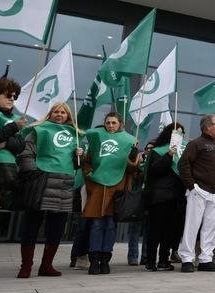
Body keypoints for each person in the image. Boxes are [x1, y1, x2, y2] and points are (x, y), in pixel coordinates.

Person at [15, 103, 84, 278]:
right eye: (56, 111)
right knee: (32, 224)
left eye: (63, 112)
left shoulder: (75, 134)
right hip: (41, 181)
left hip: (64, 183)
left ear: (68, 116)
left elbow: (78, 165)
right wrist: (33, 173)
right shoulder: (39, 130)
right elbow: (26, 153)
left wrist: (79, 155)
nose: (59, 114)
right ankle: (26, 266)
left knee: (57, 227)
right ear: (50, 114)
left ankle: (46, 266)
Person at [82, 112, 140, 274]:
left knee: (110, 225)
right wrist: (90, 177)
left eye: (114, 123)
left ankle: (105, 259)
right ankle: (94, 259)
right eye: (108, 122)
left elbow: (132, 170)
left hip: (117, 187)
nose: (110, 125)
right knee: (96, 225)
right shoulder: (97, 140)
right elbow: (87, 163)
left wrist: (133, 158)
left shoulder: (128, 142)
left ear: (120, 124)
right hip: (99, 188)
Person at [0, 77, 27, 282]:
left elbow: (20, 146)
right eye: (7, 95)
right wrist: (11, 130)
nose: (12, 99)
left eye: (15, 96)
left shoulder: (13, 119)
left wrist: (4, 140)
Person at [178, 114, 215, 273]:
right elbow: (183, 164)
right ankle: (187, 259)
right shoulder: (196, 143)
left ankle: (206, 258)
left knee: (210, 227)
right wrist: (192, 186)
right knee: (192, 226)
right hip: (199, 190)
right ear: (207, 126)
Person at [143, 122, 186, 271]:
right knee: (155, 231)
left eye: (181, 134)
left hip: (175, 198)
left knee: (169, 232)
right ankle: (150, 261)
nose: (179, 137)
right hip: (159, 197)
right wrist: (168, 156)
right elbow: (154, 171)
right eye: (176, 133)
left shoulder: (182, 152)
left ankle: (163, 260)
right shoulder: (158, 151)